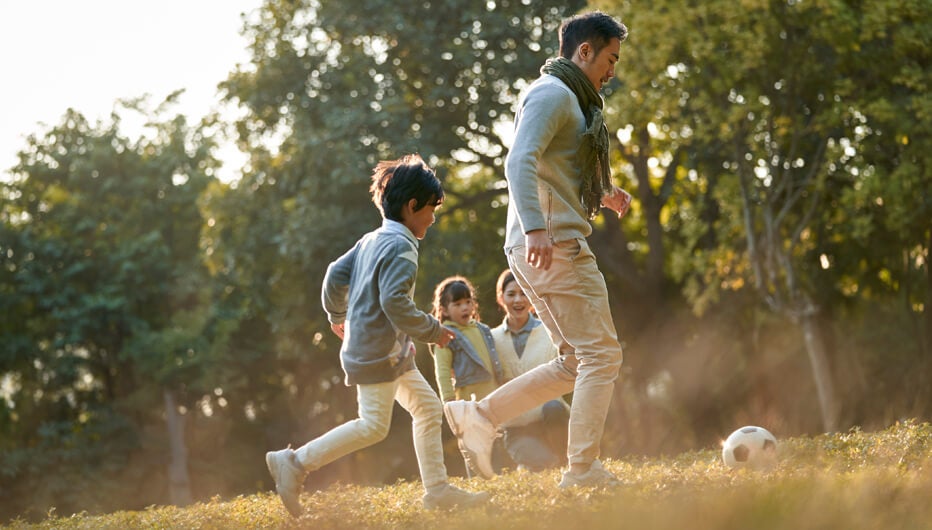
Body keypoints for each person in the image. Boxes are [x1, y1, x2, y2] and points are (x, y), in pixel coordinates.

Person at [443, 11, 633, 489]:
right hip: (553, 243)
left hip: (547, 239)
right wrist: (536, 229)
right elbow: (519, 161)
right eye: (609, 58)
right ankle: (583, 470)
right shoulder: (552, 93)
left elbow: (553, 166)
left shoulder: (571, 99)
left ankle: (481, 415)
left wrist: (603, 193)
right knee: (601, 355)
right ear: (584, 51)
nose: (612, 70)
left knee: (576, 359)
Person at [265, 154, 490, 517]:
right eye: (431, 209)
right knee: (372, 426)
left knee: (428, 409)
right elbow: (395, 303)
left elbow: (334, 274)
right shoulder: (402, 247)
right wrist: (435, 331)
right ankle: (295, 462)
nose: (433, 219)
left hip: (389, 351)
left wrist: (336, 314)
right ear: (411, 205)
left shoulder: (373, 238)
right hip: (376, 353)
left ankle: (437, 491)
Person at [491, 269, 569, 472]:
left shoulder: (551, 331)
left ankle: (565, 459)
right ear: (501, 298)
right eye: (511, 294)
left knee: (553, 407)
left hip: (552, 421)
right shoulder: (491, 339)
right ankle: (531, 463)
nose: (518, 299)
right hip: (517, 429)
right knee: (546, 465)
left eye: (524, 292)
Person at [430, 275, 505, 404]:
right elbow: (443, 370)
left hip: (494, 394)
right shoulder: (445, 335)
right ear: (445, 310)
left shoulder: (483, 329)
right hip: (468, 400)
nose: (465, 307)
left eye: (468, 302)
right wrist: (448, 399)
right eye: (457, 304)